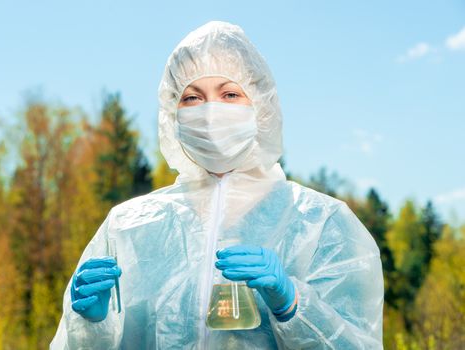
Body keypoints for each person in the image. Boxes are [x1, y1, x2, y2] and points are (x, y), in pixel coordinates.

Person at [50, 21, 383, 349]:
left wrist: (294, 306)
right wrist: (91, 327)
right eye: (192, 98)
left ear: (261, 106)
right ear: (171, 114)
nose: (211, 112)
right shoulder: (128, 227)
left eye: (230, 94)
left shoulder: (320, 222)